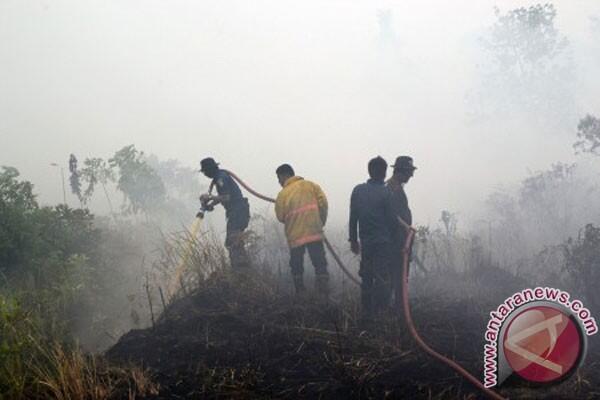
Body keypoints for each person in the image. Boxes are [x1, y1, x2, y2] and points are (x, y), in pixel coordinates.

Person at [349, 156, 399, 315]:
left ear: (369, 171)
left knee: (367, 277)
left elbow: (353, 217)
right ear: (385, 173)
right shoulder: (387, 193)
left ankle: (367, 312)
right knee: (382, 278)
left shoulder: (358, 190)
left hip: (366, 243)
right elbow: (392, 221)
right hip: (384, 244)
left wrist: (353, 240)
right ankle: (381, 311)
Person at [275, 164, 329, 295]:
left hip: (295, 236)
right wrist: (320, 222)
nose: (279, 181)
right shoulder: (311, 185)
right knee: (320, 263)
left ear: (285, 175)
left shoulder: (282, 194)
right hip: (314, 232)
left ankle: (301, 294)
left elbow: (280, 216)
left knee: (296, 265)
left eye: (279, 178)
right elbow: (323, 204)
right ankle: (323, 294)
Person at [199, 157, 250, 269]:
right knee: (233, 240)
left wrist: (210, 197)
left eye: (204, 171)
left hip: (238, 212)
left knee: (234, 241)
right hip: (237, 211)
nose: (205, 174)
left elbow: (226, 197)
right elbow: (224, 197)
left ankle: (241, 270)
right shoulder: (219, 177)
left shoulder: (221, 178)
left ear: (209, 170)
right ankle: (240, 268)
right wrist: (211, 205)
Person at [387, 156, 416, 310]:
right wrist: (405, 230)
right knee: (397, 277)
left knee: (398, 277)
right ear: (400, 172)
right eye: (409, 172)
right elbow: (392, 216)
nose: (411, 176)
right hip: (397, 243)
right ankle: (399, 307)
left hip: (401, 241)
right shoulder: (392, 190)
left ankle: (398, 305)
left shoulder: (395, 188)